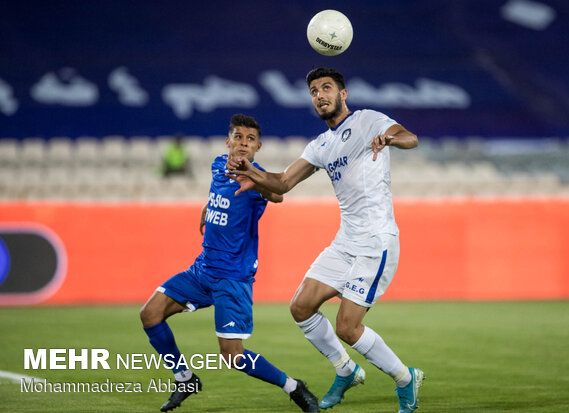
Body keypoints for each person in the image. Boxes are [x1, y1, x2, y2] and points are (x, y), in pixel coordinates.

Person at [226, 68, 424, 413]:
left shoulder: (367, 121)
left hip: (375, 241)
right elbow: (284, 182)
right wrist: (251, 174)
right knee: (301, 307)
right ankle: (345, 370)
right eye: (314, 90)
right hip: (346, 241)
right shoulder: (321, 145)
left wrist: (388, 139)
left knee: (348, 327)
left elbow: (411, 138)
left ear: (342, 94)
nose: (319, 94)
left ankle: (406, 379)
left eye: (326, 88)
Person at [140, 114, 320, 413]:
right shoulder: (217, 165)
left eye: (250, 140)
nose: (243, 143)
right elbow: (218, 192)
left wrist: (258, 183)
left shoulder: (258, 176)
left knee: (233, 357)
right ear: (229, 141)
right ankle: (184, 378)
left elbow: (277, 195)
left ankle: (293, 387)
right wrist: (207, 205)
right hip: (202, 270)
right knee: (150, 314)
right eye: (238, 137)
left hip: (232, 278)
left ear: (257, 147)